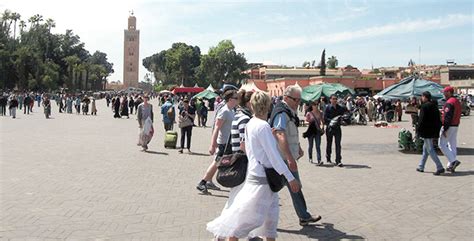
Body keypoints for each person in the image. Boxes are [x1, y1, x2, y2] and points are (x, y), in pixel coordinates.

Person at [207, 91, 300, 241]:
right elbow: (273, 157)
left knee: (270, 222)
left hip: (260, 178)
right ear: (267, 105)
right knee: (248, 222)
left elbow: (252, 148)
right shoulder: (262, 126)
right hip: (262, 180)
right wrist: (290, 177)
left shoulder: (252, 123)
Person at [269, 85, 321, 227]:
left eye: (299, 100)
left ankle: (303, 216)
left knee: (289, 187)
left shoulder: (288, 112)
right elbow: (280, 134)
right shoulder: (282, 113)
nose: (298, 103)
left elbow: (290, 132)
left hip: (285, 158)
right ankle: (303, 216)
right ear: (286, 97)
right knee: (291, 187)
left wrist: (297, 147)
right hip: (282, 159)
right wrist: (290, 158)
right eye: (295, 99)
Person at [196, 89, 238, 193]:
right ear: (230, 99)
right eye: (236, 98)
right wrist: (212, 144)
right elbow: (217, 128)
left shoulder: (231, 110)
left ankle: (208, 181)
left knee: (217, 163)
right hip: (223, 143)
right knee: (217, 163)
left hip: (229, 143)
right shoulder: (224, 111)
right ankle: (202, 182)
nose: (237, 100)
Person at [416, 92, 444, 175]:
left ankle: (440, 167)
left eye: (422, 96)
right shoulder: (434, 106)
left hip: (426, 131)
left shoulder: (424, 106)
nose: (421, 98)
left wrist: (418, 130)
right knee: (425, 148)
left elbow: (421, 120)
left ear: (425, 97)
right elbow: (438, 119)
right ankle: (421, 166)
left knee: (430, 149)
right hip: (433, 130)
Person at [439, 86, 462, 172]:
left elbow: (448, 117)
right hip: (456, 125)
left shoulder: (449, 102)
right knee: (452, 145)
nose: (443, 94)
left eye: (444, 92)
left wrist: (445, 129)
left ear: (449, 92)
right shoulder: (456, 101)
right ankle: (450, 165)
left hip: (449, 125)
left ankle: (453, 161)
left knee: (441, 144)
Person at [324, 94, 346, 166]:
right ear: (330, 100)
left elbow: (345, 114)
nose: (334, 100)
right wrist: (333, 121)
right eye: (333, 99)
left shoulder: (340, 108)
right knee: (329, 143)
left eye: (336, 99)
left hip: (337, 128)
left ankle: (338, 160)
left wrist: (344, 119)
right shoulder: (328, 108)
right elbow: (325, 118)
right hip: (330, 128)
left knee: (338, 144)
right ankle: (328, 157)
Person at [304, 100, 324, 165]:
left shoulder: (320, 112)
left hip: (317, 131)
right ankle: (310, 157)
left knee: (318, 146)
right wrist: (309, 122)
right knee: (311, 145)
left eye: (317, 104)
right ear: (312, 106)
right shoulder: (309, 113)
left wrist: (322, 126)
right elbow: (305, 121)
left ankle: (319, 160)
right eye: (315, 104)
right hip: (311, 131)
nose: (316, 106)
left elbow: (321, 121)